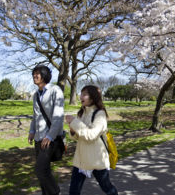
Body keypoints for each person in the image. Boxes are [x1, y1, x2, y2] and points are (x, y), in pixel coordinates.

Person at [65, 85, 118, 195]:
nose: (81, 96)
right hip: (81, 160)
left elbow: (91, 135)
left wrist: (74, 122)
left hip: (97, 160)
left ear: (93, 98)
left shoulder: (100, 114)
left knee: (107, 188)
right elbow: (77, 137)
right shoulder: (82, 113)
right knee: (74, 191)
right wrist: (72, 130)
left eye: (84, 94)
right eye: (81, 93)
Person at [28, 65, 64, 195]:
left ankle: (55, 192)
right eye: (34, 74)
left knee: (40, 170)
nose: (35, 76)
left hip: (50, 138)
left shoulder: (55, 90)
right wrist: (31, 131)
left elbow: (58, 116)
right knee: (44, 171)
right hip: (38, 137)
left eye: (38, 73)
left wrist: (50, 136)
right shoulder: (36, 94)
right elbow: (35, 115)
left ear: (45, 75)